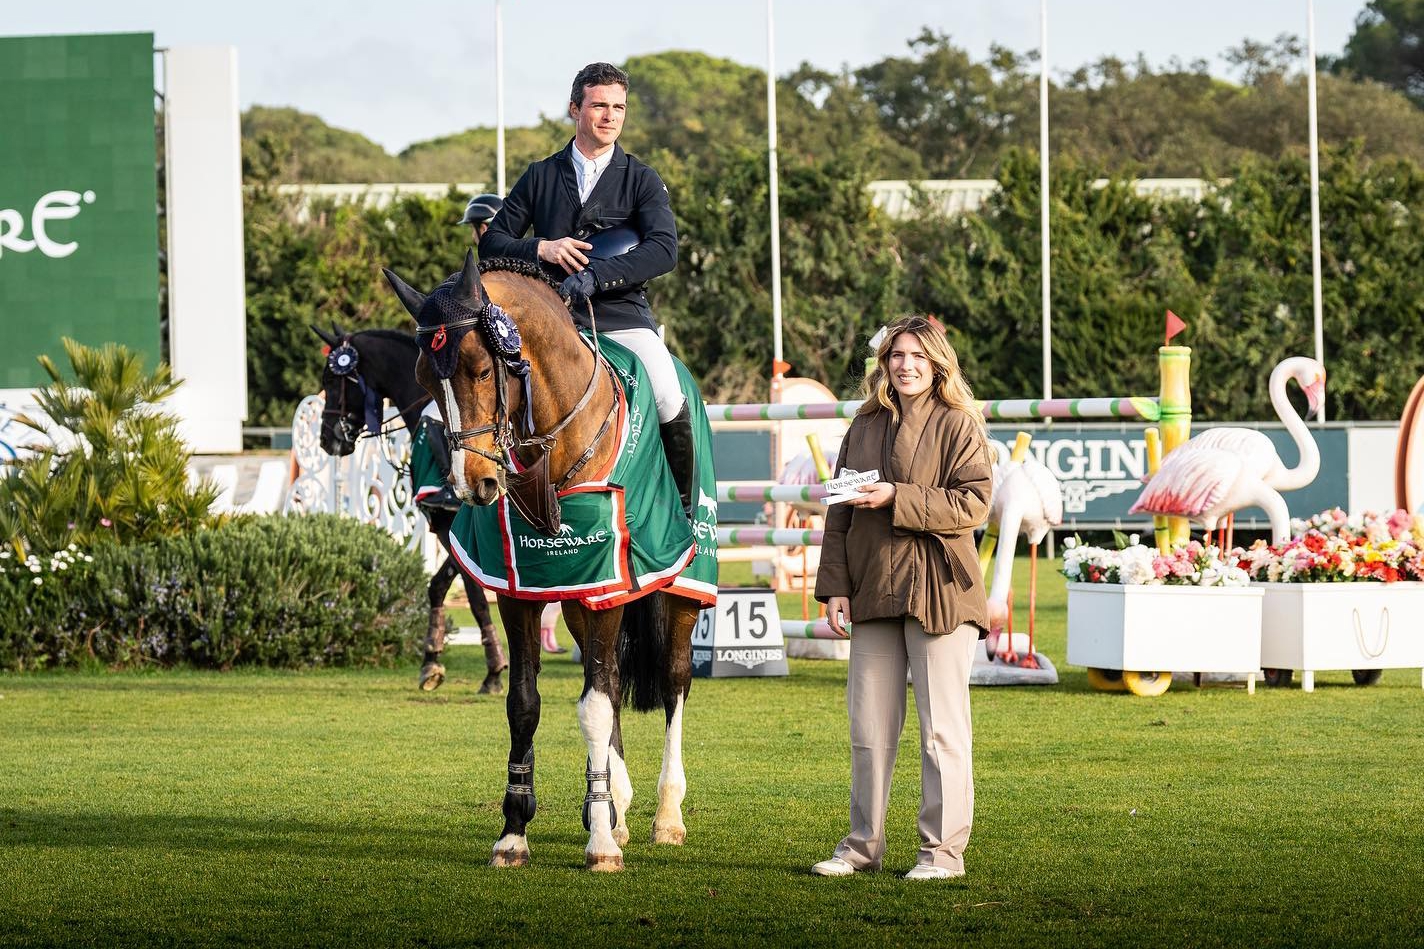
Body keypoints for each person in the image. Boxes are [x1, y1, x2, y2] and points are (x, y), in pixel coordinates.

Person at [811, 315, 994, 882]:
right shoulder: (862, 426)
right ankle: (861, 847)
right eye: (895, 355)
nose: (905, 364)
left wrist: (898, 497)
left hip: (940, 590)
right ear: (883, 363)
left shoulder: (960, 424)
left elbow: (974, 505)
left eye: (916, 355)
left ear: (937, 361)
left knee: (942, 730)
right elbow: (839, 511)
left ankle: (941, 854)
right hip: (873, 588)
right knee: (868, 728)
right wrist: (835, 586)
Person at [478, 62, 695, 519]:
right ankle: (484, 498)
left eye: (619, 107)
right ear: (575, 109)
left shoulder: (642, 178)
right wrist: (543, 248)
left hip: (621, 316)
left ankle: (682, 510)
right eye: (599, 106)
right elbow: (493, 243)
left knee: (667, 394)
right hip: (549, 319)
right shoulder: (539, 175)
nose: (610, 116)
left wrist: (599, 276)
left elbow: (664, 250)